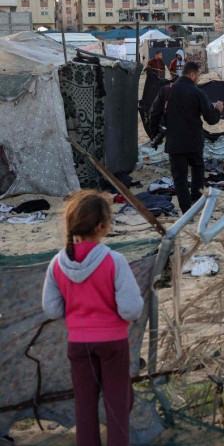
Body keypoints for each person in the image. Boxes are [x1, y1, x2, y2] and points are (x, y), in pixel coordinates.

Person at [42, 190, 145, 446]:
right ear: (102, 226)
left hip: (78, 344)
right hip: (113, 343)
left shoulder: (57, 263)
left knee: (84, 408)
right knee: (118, 406)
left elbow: (51, 309)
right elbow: (131, 309)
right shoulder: (114, 260)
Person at [149, 61, 224, 214]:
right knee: (197, 170)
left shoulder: (166, 90)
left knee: (180, 178)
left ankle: (186, 210)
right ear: (192, 75)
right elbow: (211, 119)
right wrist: (217, 110)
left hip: (174, 142)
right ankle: (196, 201)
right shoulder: (198, 93)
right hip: (194, 141)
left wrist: (155, 135)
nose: (199, 79)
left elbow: (153, 114)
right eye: (198, 75)